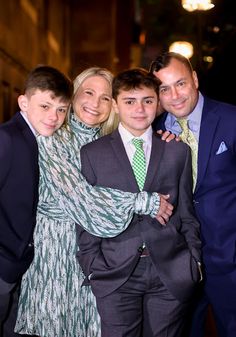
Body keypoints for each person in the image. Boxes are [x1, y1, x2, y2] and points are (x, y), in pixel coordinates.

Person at [15, 67, 173, 337]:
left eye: (104, 97)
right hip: (55, 254)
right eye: (88, 92)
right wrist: (143, 202)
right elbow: (82, 199)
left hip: (103, 258)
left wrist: (162, 140)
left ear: (112, 104)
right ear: (74, 95)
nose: (95, 103)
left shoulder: (113, 142)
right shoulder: (51, 136)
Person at [77, 67, 202, 337]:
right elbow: (86, 217)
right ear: (116, 105)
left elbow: (186, 213)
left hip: (170, 271)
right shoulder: (92, 153)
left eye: (147, 100)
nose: (139, 109)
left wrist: (193, 261)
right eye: (129, 101)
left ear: (157, 104)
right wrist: (93, 266)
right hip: (114, 273)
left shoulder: (177, 150)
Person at [150, 51, 236, 337]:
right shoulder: (153, 134)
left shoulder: (230, 118)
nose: (174, 95)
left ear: (195, 80)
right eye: (164, 88)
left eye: (180, 83)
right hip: (179, 263)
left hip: (230, 258)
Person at [0, 65, 73, 337]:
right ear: (23, 101)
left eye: (62, 109)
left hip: (19, 266)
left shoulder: (36, 139)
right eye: (45, 106)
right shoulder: (7, 138)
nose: (54, 116)